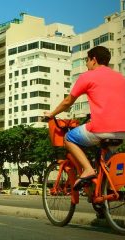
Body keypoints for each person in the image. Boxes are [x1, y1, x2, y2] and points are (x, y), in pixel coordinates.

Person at [45, 46, 125, 191]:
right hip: (122, 131)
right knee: (104, 167)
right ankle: (102, 199)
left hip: (101, 129)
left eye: (86, 60)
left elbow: (68, 101)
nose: (87, 64)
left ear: (93, 60)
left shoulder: (88, 76)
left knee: (69, 138)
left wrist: (52, 114)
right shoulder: (120, 77)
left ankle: (87, 170)